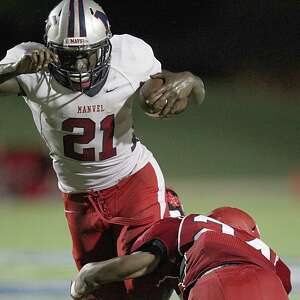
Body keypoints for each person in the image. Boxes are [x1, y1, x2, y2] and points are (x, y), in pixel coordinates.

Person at [0, 0, 204, 298]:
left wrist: (190, 80)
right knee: (100, 293)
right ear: (51, 50)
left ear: (107, 45)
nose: (81, 67)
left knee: (146, 290)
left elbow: (190, 93)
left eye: (88, 55)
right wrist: (13, 68)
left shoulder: (129, 56)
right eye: (69, 57)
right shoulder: (31, 64)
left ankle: (167, 212)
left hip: (133, 184)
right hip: (79, 197)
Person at [70, 206, 292, 300]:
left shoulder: (190, 225)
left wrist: (90, 274)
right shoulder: (265, 252)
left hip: (217, 281)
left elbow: (141, 263)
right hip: (269, 282)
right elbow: (284, 283)